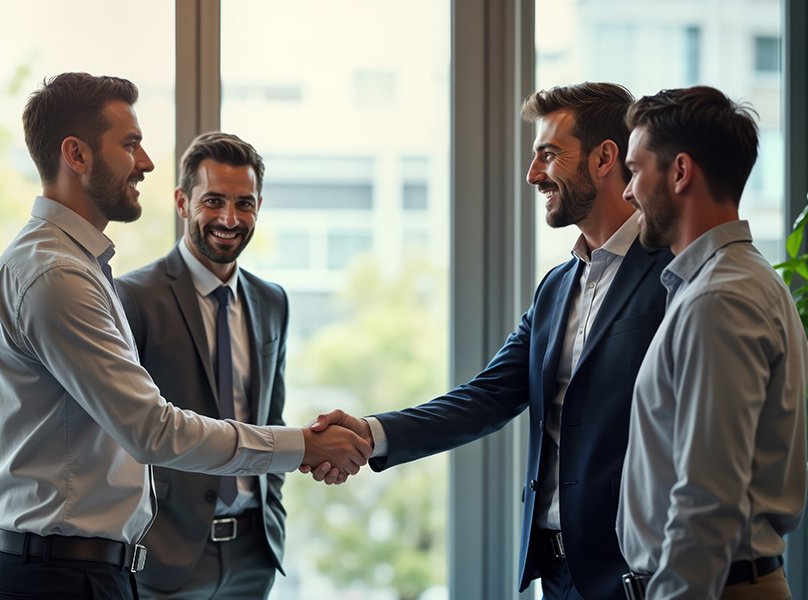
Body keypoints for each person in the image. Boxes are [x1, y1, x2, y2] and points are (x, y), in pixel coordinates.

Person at [0, 73, 369, 600]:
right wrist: (302, 445)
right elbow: (153, 429)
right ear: (77, 154)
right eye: (130, 144)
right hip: (68, 575)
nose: (146, 162)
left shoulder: (76, 266)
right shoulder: (57, 275)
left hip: (93, 567)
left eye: (245, 202)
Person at [307, 82, 673, 599]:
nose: (533, 174)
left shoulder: (673, 274)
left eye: (549, 154)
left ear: (604, 158)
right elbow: (485, 396)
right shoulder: (556, 288)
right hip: (558, 575)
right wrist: (370, 433)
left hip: (640, 575)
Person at [617, 85, 807, 599]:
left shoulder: (719, 299)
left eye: (634, 171)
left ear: (680, 172)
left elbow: (708, 496)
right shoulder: (732, 282)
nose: (628, 192)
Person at [114, 132, 287, 599]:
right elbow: (122, 433)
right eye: (213, 201)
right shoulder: (132, 298)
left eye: (244, 204)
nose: (229, 219)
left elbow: (272, 419)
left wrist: (273, 517)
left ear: (258, 206)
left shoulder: (273, 302)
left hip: (254, 555)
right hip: (163, 558)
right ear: (181, 202)